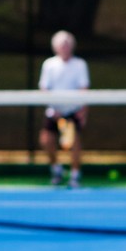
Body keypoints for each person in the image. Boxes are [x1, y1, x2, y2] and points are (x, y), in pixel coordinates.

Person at [38, 30, 89, 188]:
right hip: (54, 111)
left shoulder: (80, 64)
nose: (65, 48)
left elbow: (84, 89)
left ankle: (75, 175)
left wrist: (82, 110)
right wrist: (53, 108)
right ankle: (56, 169)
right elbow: (44, 88)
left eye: (67, 45)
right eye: (62, 45)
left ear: (72, 47)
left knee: (74, 143)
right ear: (56, 47)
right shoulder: (49, 64)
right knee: (46, 140)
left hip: (72, 110)